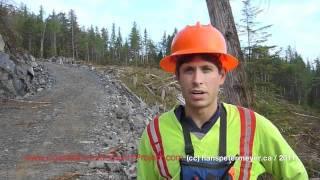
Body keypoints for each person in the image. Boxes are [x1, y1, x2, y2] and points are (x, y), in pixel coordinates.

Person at [137, 22, 308, 180]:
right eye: (189, 70)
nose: (197, 80)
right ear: (178, 77)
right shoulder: (155, 134)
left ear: (222, 76)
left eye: (206, 69)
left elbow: (297, 175)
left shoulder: (253, 127)